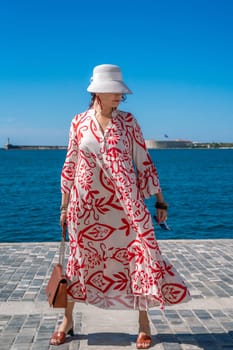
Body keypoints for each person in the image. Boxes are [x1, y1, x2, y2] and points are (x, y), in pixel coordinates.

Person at [50, 64, 191, 349]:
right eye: (115, 93)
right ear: (98, 92)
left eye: (121, 94)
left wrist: (160, 199)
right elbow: (70, 165)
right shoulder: (78, 122)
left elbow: (144, 161)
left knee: (139, 258)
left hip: (125, 208)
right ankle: (66, 320)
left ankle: (143, 324)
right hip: (86, 206)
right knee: (80, 262)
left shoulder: (128, 122)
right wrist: (64, 207)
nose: (119, 98)